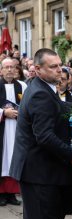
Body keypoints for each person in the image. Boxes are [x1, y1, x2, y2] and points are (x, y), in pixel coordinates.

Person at [9, 48, 72, 219]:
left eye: (60, 65)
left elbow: (57, 112)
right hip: (38, 174)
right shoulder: (41, 93)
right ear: (38, 69)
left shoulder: (43, 88)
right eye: (54, 67)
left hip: (41, 172)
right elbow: (45, 136)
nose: (60, 70)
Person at [0, 58, 27, 206]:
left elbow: (28, 105)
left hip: (17, 128)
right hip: (2, 127)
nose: (10, 70)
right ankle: (1, 194)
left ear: (16, 69)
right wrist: (4, 113)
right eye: (7, 67)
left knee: (13, 158)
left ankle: (11, 193)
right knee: (3, 158)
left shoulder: (22, 86)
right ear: (1, 70)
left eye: (12, 67)